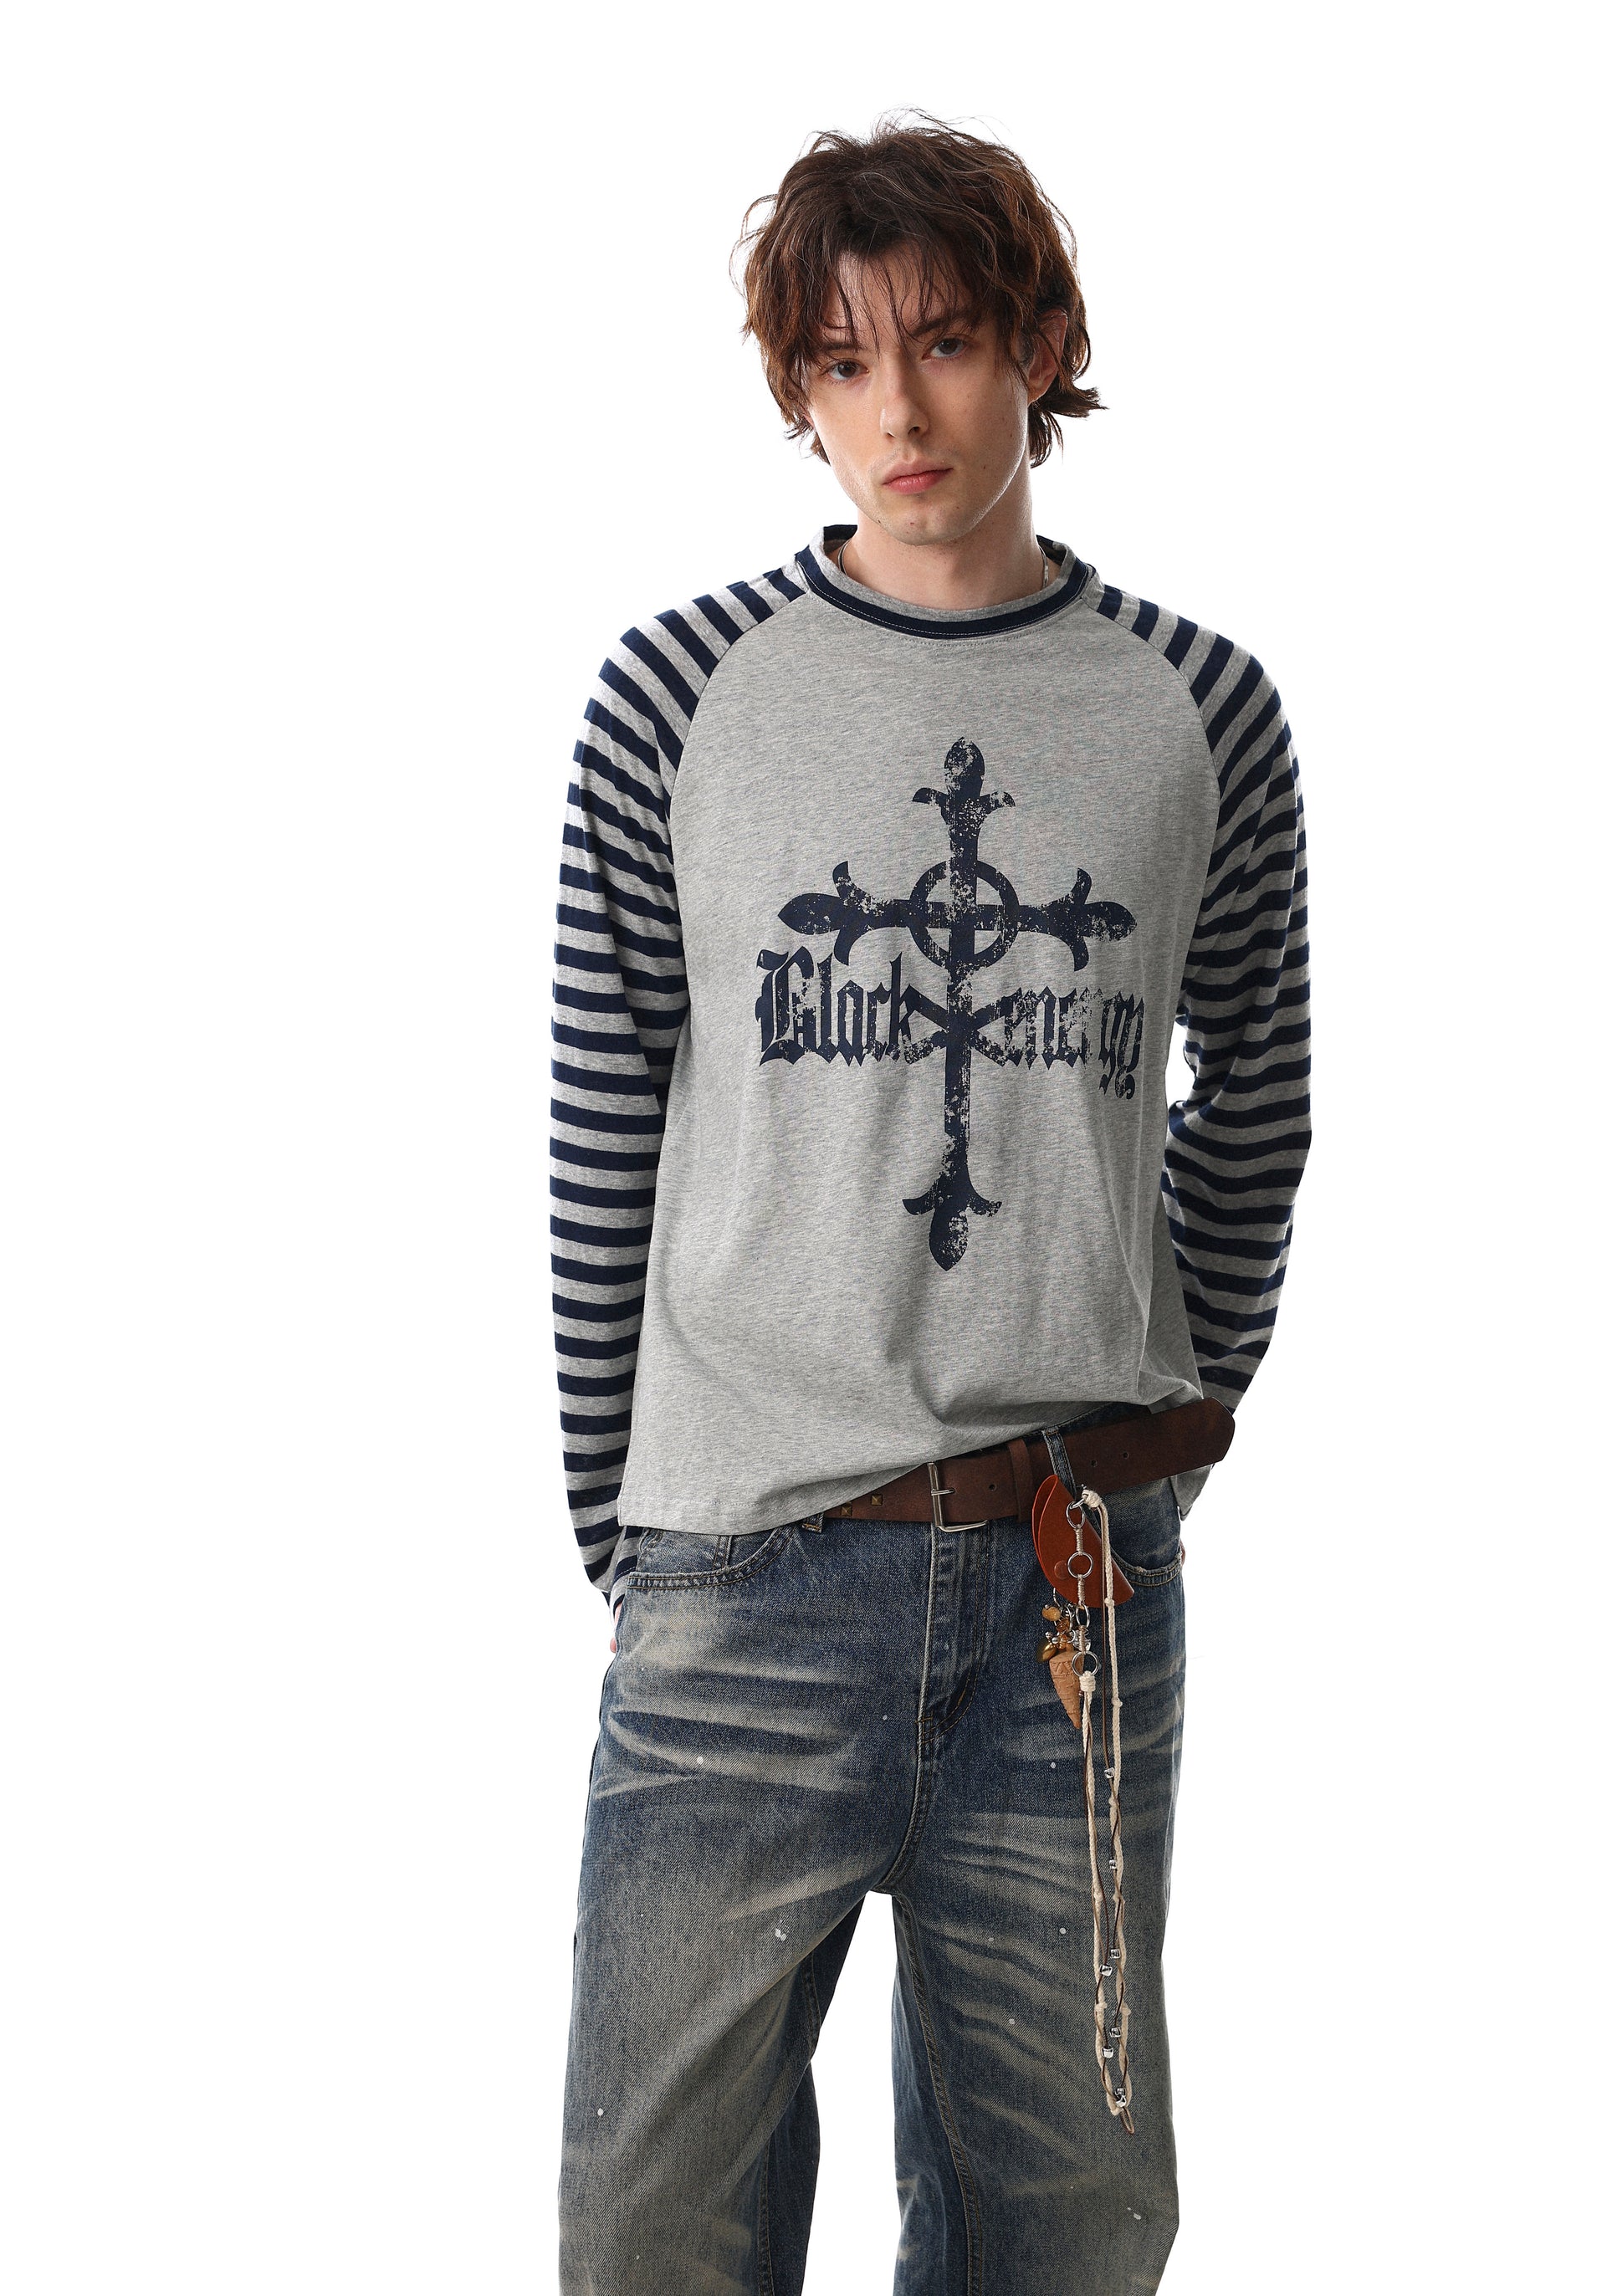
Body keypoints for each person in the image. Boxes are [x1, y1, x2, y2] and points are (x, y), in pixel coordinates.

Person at [550, 115, 1309, 2294]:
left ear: (1039, 349)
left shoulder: (1198, 712)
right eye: (841, 358)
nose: (898, 410)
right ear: (794, 385)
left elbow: (1255, 1094)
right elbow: (606, 1121)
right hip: (740, 1576)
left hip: (1073, 1597)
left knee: (1063, 2230)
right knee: (651, 2229)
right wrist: (628, 1527)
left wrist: (1154, 1424)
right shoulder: (675, 699)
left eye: (949, 342)